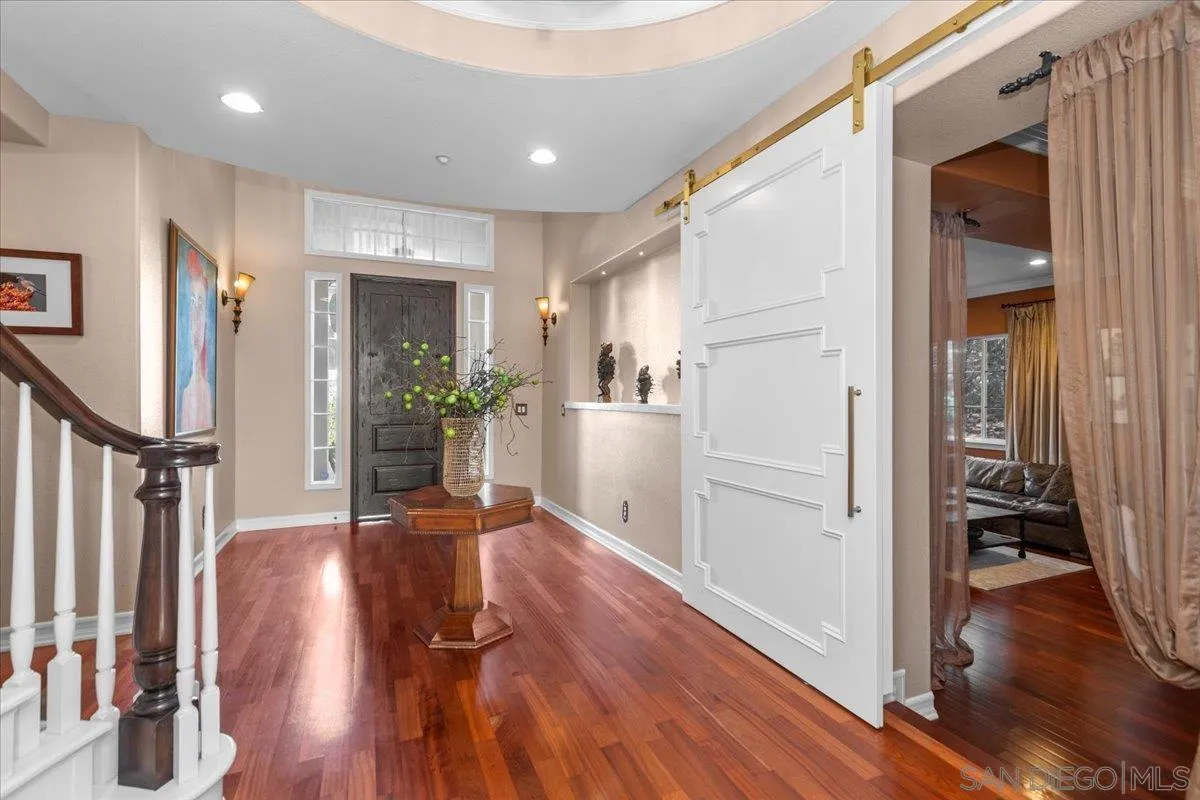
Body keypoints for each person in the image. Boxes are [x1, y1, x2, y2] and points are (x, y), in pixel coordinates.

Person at [178, 247, 214, 433]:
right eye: (192, 302)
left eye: (200, 302)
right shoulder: (188, 392)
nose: (196, 316)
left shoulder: (205, 390)